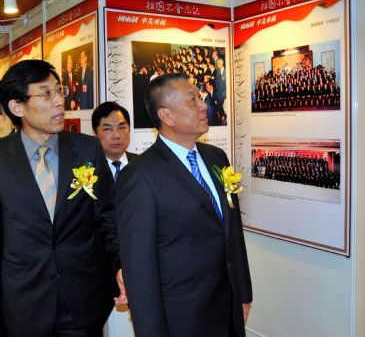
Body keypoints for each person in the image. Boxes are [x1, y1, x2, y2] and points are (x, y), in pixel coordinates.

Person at [115, 73, 252, 337]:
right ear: (166, 116)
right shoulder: (141, 176)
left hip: (227, 307)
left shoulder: (217, 157)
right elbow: (140, 268)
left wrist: (243, 293)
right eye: (192, 100)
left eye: (200, 98)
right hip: (181, 318)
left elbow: (233, 232)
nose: (203, 106)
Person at [0, 60, 126, 337]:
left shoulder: (87, 149)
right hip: (22, 303)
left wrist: (121, 266)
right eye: (46, 94)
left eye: (59, 91)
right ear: (17, 107)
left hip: (82, 299)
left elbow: (107, 217)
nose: (59, 101)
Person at [92, 101, 138, 181]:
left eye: (122, 128)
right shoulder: (87, 169)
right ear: (95, 133)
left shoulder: (143, 164)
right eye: (108, 129)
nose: (116, 136)